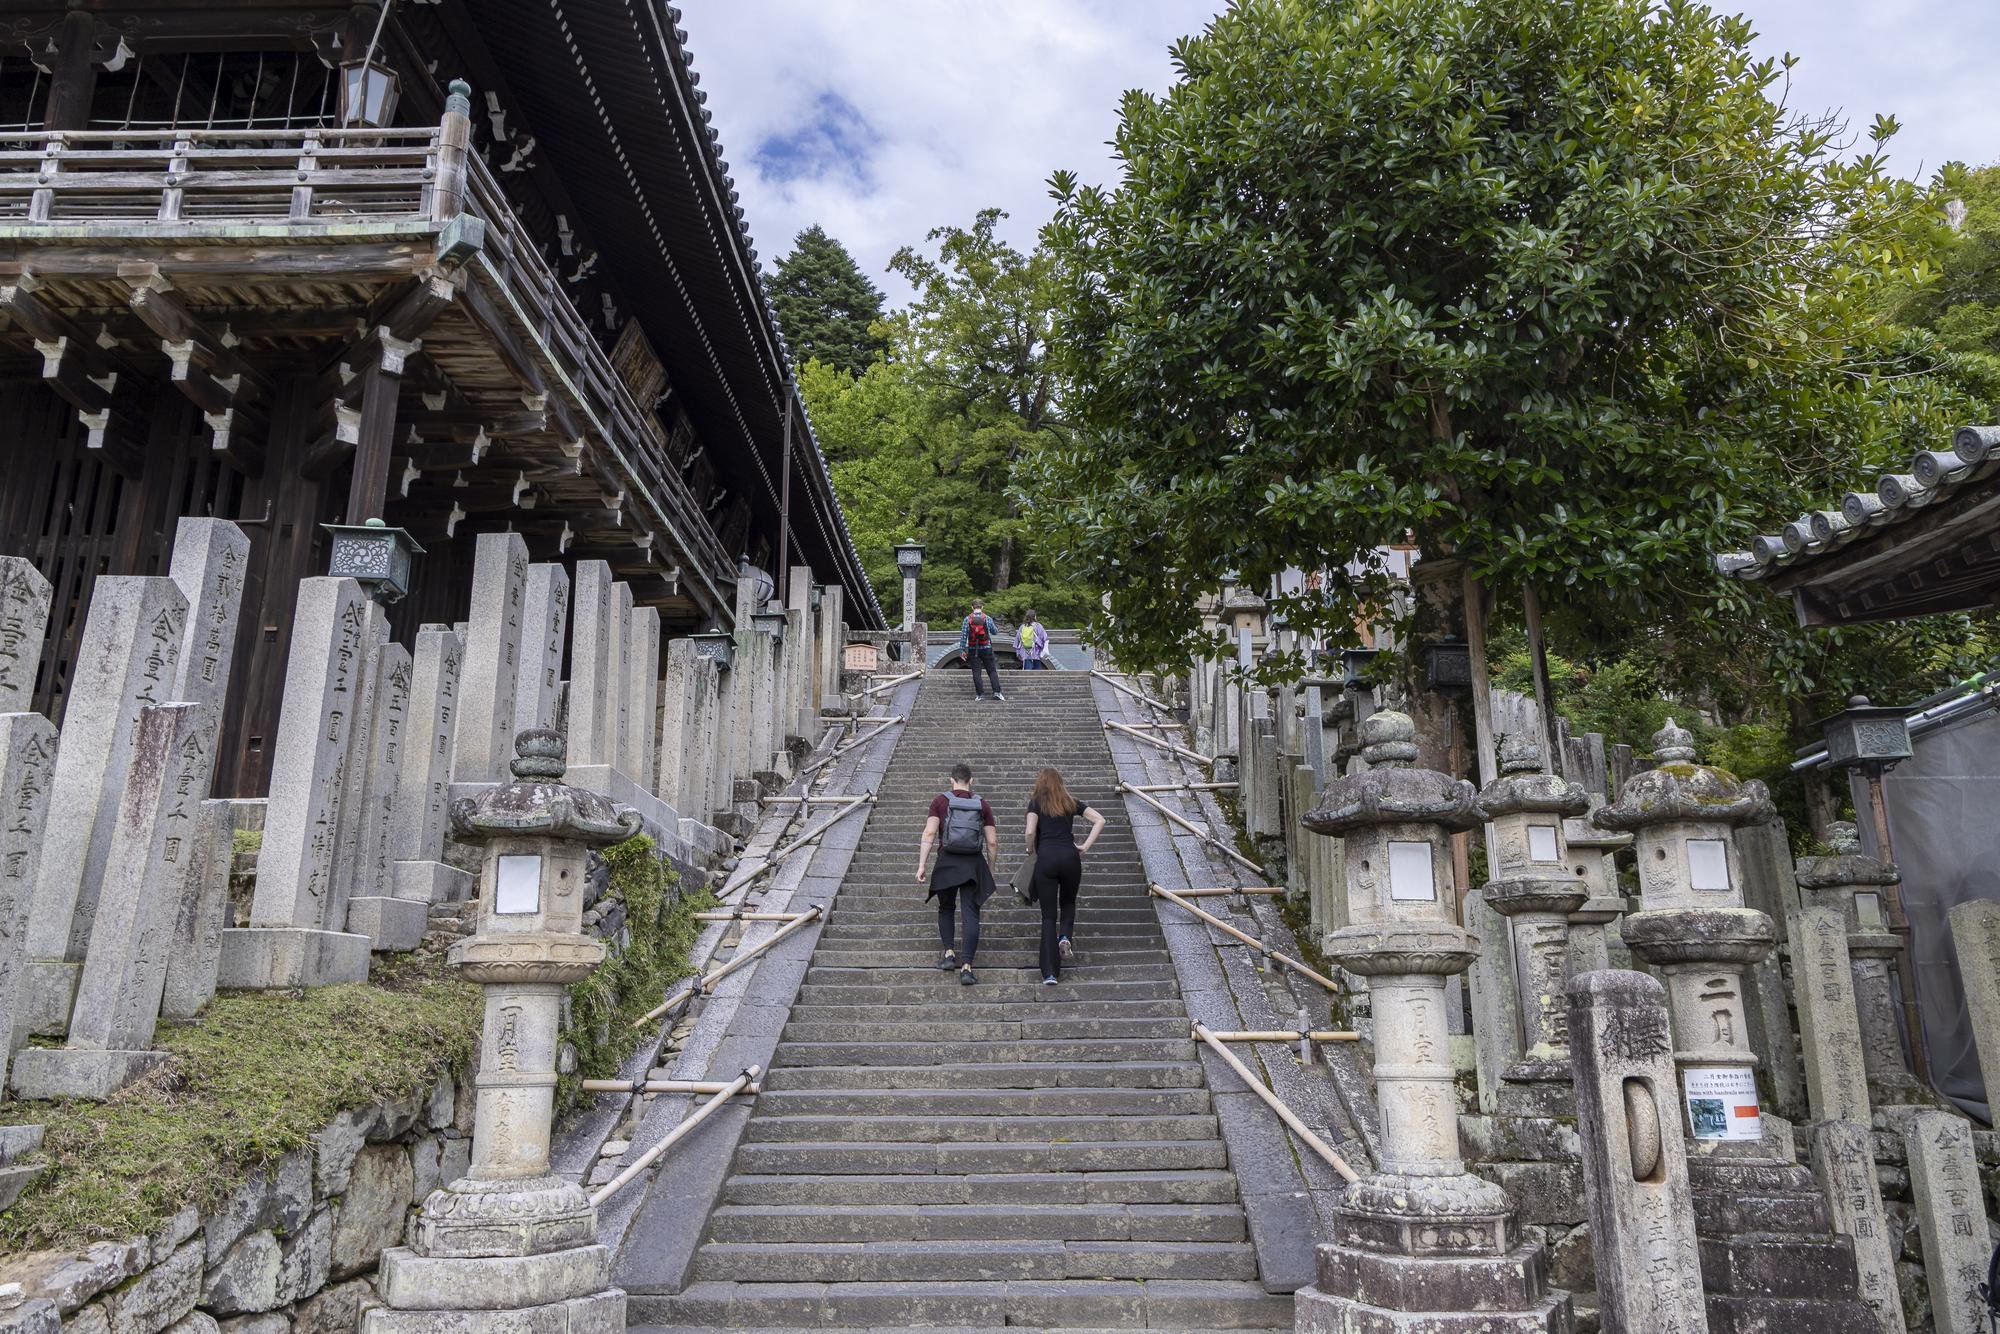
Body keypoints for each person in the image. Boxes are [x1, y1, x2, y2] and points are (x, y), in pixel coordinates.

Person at [916, 761, 998, 985]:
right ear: (971, 781)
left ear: (951, 780)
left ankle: (949, 954)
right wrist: (990, 869)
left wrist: (922, 865)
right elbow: (991, 842)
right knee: (970, 913)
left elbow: (930, 832)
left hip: (947, 862)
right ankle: (967, 967)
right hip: (972, 864)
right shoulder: (982, 804)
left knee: (946, 908)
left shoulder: (940, 801)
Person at [1024, 767, 1105, 984]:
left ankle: (1050, 972)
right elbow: (1100, 820)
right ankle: (1065, 937)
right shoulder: (1070, 801)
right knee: (1068, 903)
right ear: (1060, 783)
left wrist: (1030, 850)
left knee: (1048, 916)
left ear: (1040, 784)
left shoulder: (1036, 802)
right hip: (1070, 857)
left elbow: (1030, 831)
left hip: (1047, 859)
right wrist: (1085, 846)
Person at [960, 600, 1004, 701]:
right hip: (986, 648)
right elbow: (995, 632)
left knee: (976, 672)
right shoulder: (987, 618)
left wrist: (962, 650)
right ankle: (997, 692)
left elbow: (963, 636)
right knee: (992, 670)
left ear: (972, 607)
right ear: (982, 607)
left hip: (972, 649)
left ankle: (980, 695)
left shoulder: (967, 619)